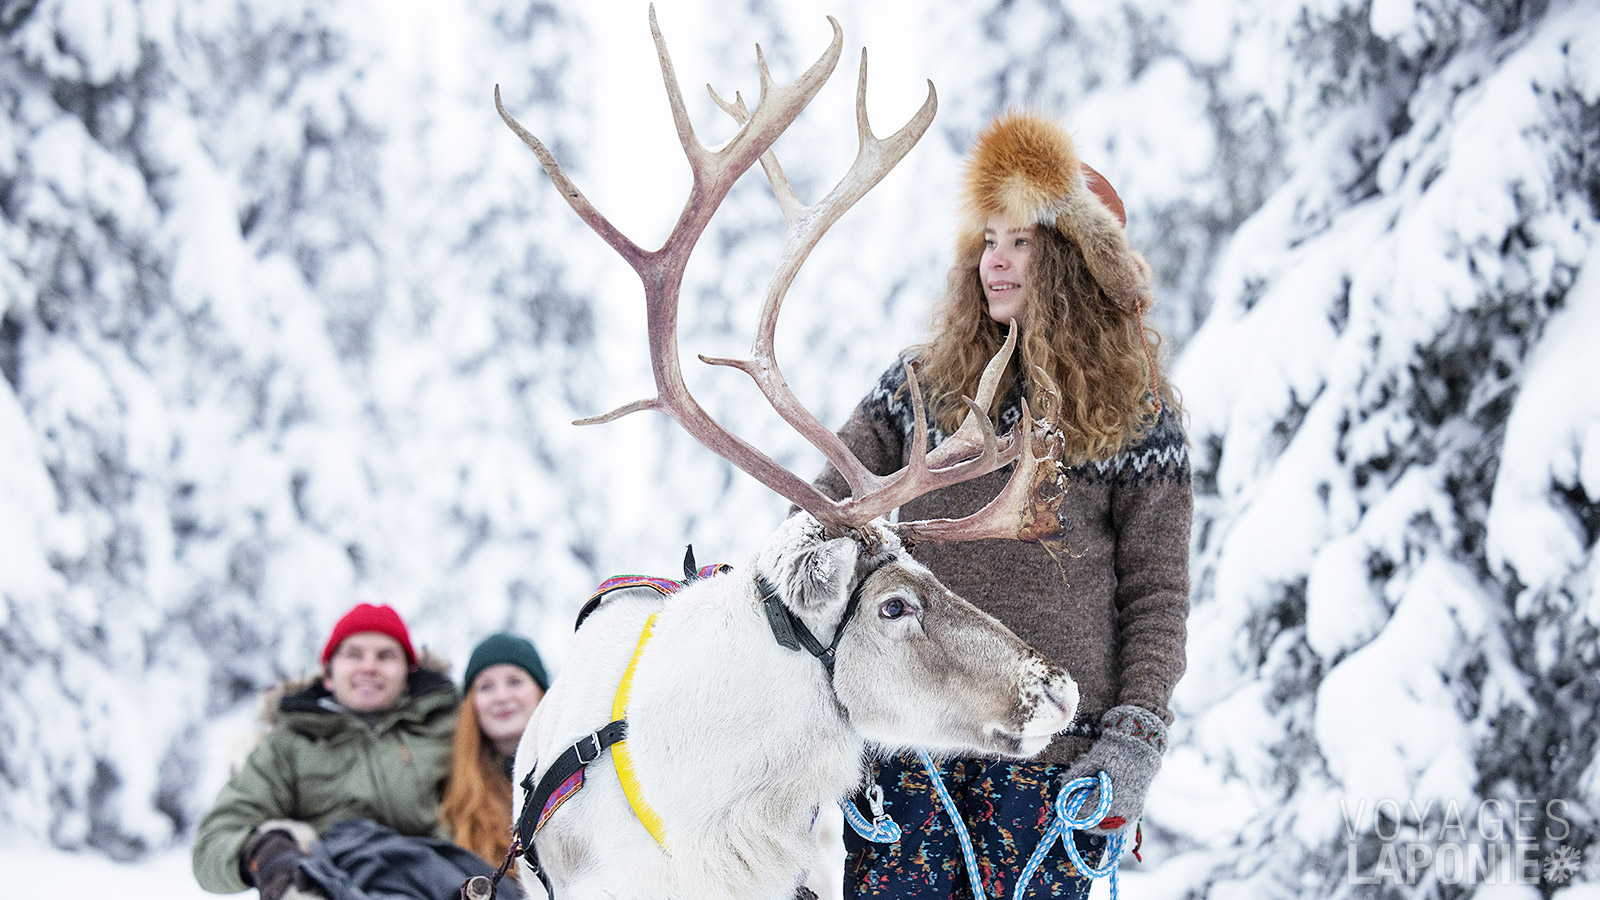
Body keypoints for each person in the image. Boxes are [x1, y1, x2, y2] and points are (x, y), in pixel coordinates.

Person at [815, 110, 1191, 899]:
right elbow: (823, 514)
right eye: (988, 240)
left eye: (1022, 241)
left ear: (1076, 261)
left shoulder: (1140, 414)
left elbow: (1156, 595)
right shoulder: (917, 386)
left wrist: (1135, 738)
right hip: (913, 755)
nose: (997, 261)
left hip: (1053, 764)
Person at [192, 602, 489, 900]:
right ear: (328, 675)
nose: (369, 666)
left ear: (408, 673)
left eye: (385, 656)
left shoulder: (452, 728)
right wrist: (263, 853)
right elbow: (213, 844)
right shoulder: (288, 745)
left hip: (451, 878)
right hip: (338, 881)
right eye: (353, 654)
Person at [439, 631, 551, 869]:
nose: (501, 697)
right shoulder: (451, 787)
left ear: (541, 693)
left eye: (515, 681)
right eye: (486, 686)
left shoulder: (577, 771)